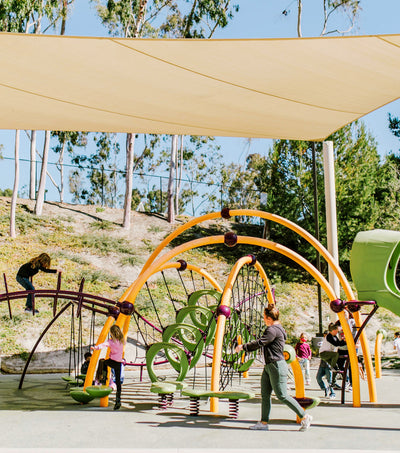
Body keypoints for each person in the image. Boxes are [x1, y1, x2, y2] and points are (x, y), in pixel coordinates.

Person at [235, 304, 312, 431]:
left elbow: (261, 342)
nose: (264, 320)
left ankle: (304, 416)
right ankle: (264, 423)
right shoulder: (280, 329)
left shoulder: (272, 330)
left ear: (269, 319)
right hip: (269, 366)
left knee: (282, 395)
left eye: (265, 318)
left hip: (276, 365)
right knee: (265, 395)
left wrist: (243, 347)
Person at [91, 325, 126, 410]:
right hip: (119, 363)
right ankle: (118, 400)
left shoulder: (111, 341)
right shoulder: (122, 341)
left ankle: (104, 376)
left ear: (111, 333)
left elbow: (104, 345)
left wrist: (95, 347)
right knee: (118, 381)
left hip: (112, 361)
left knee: (103, 362)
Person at [316, 331, 336, 400]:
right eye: (324, 336)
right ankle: (325, 388)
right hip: (322, 364)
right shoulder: (323, 343)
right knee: (318, 378)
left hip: (328, 364)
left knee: (329, 380)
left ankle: (332, 393)